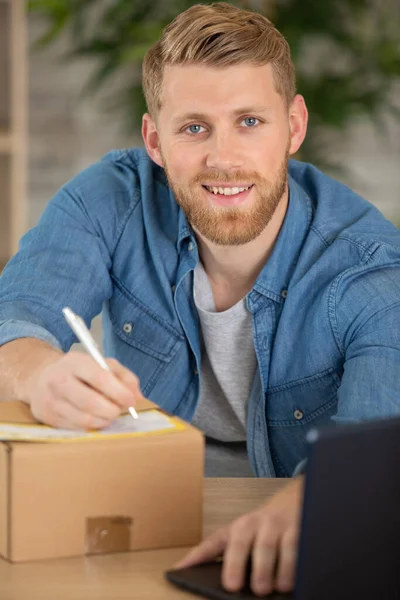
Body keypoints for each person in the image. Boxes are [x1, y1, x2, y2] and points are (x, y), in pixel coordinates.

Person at [0, 1, 399, 595]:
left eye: (250, 122)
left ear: (293, 126)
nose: (222, 158)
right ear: (154, 139)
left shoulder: (372, 270)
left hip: (286, 515)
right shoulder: (107, 201)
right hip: (140, 509)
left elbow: (381, 453)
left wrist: (313, 504)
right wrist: (39, 375)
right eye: (193, 127)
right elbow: (18, 318)